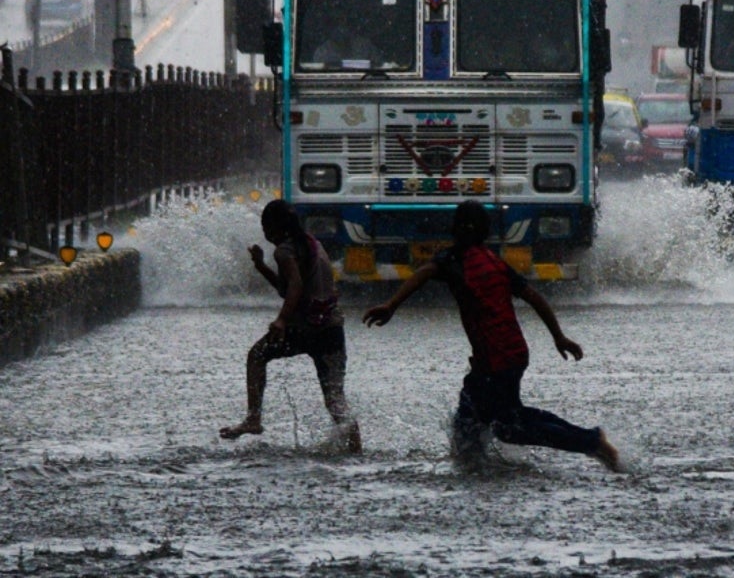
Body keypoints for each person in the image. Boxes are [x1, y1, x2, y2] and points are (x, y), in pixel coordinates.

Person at [362, 200, 622, 472]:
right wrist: (559, 337)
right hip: (510, 354)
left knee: (509, 427)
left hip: (497, 358)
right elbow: (535, 298)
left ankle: (591, 441)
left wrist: (391, 306)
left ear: (455, 229)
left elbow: (423, 273)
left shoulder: (454, 260)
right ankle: (473, 463)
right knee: (474, 415)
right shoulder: (493, 262)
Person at [220, 199, 362, 454]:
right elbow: (287, 289)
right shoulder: (312, 245)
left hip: (303, 329)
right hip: (330, 329)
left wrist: (282, 320)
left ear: (273, 228)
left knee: (257, 355)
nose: (263, 232)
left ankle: (254, 418)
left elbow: (294, 287)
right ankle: (356, 450)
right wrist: (261, 266)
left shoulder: (285, 251)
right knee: (335, 400)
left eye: (264, 226)